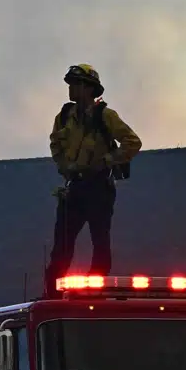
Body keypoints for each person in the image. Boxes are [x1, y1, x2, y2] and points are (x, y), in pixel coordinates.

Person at [45, 64, 142, 293]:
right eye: (70, 84)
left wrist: (108, 160)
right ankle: (52, 292)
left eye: (77, 84)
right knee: (62, 245)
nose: (71, 89)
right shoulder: (65, 116)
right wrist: (64, 167)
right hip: (74, 187)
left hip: (98, 186)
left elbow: (132, 142)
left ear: (90, 89)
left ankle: (96, 288)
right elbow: (55, 144)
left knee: (99, 240)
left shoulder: (105, 116)